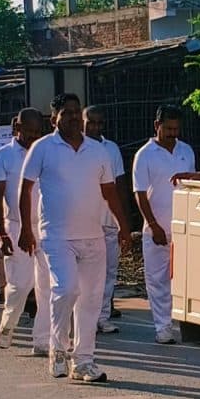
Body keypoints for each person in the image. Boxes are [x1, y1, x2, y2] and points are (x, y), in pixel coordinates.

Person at [20, 100, 129, 383]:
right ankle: (58, 349)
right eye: (65, 113)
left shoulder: (98, 151)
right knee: (66, 289)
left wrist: (123, 225)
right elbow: (25, 188)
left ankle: (83, 361)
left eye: (75, 113)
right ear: (53, 118)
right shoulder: (43, 147)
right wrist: (25, 230)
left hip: (93, 236)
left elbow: (110, 191)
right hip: (56, 237)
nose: (72, 118)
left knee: (91, 300)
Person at [131, 105, 197, 344]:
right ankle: (163, 328)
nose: (172, 133)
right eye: (168, 128)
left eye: (176, 129)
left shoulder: (186, 150)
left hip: (184, 228)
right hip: (156, 230)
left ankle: (189, 326)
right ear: (156, 126)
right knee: (157, 281)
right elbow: (139, 193)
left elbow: (192, 186)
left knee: (186, 279)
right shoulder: (144, 155)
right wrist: (153, 225)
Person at [0, 109, 46, 352]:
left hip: (46, 226)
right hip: (15, 226)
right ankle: (8, 324)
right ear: (17, 128)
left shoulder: (46, 152)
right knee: (20, 285)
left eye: (37, 132)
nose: (33, 136)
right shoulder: (2, 156)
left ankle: (43, 339)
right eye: (29, 131)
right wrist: (2, 234)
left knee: (46, 286)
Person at [81, 105, 126, 333]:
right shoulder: (75, 148)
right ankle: (83, 319)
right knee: (84, 274)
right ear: (82, 122)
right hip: (82, 221)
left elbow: (119, 184)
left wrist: (123, 222)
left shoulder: (111, 149)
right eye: (91, 123)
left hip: (108, 220)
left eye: (99, 123)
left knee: (108, 271)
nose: (95, 127)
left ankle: (102, 317)